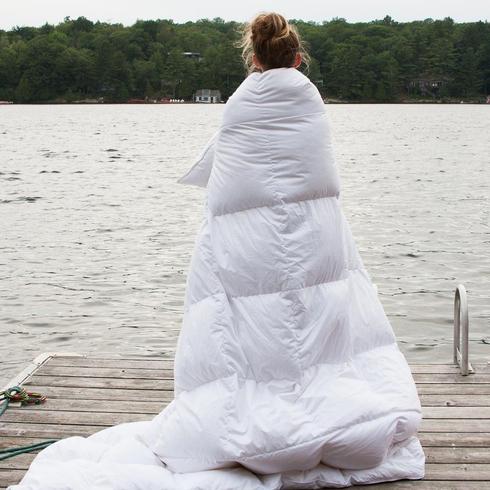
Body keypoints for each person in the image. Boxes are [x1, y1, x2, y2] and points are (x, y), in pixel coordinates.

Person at [11, 11, 425, 490]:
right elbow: (315, 172)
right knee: (314, 322)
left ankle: (261, 422)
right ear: (296, 56)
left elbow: (225, 172)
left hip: (250, 244)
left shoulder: (240, 105)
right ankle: (324, 415)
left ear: (253, 58)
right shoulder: (311, 102)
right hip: (317, 238)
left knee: (252, 332)